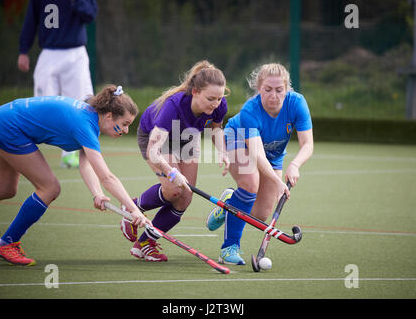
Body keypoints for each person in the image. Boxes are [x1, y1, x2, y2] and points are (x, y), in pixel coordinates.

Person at [0, 85, 150, 266]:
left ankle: (6, 243)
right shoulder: (84, 124)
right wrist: (134, 210)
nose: (125, 131)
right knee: (50, 188)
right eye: (125, 124)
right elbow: (107, 177)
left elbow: (86, 163)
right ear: (109, 116)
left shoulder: (90, 119)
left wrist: (97, 194)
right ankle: (7, 243)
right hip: (9, 127)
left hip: (0, 118)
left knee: (4, 189)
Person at [119, 60, 230, 262]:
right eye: (210, 99)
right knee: (173, 189)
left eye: (219, 99)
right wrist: (171, 172)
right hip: (157, 140)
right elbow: (154, 151)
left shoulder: (219, 105)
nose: (215, 104)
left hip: (186, 137)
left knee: (185, 197)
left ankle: (145, 243)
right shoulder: (173, 105)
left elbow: (215, 128)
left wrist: (223, 151)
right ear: (195, 92)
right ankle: (132, 208)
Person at [206, 63, 314, 265]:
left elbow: (307, 144)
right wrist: (278, 181)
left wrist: (295, 165)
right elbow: (256, 154)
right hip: (237, 138)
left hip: (273, 154)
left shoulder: (297, 103)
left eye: (279, 90)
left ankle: (230, 202)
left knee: (260, 215)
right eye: (268, 90)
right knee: (250, 182)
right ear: (259, 89)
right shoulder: (250, 110)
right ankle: (229, 248)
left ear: (287, 89)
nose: (273, 95)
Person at [18, 0, 98, 168]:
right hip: (49, 53)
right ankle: (22, 150)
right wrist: (23, 50)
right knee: (41, 106)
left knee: (79, 104)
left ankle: (70, 155)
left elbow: (90, 15)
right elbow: (31, 21)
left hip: (76, 54)